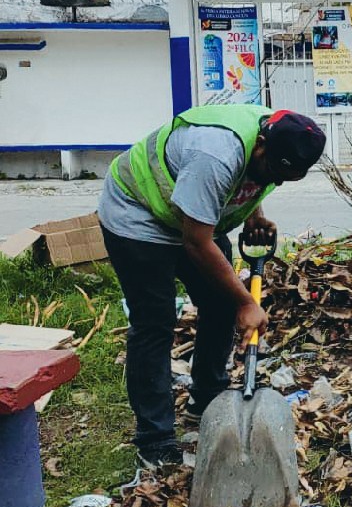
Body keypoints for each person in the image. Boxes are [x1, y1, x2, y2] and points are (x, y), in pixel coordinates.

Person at [98, 105, 326, 468]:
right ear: (261, 145)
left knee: (218, 302)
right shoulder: (214, 155)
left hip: (193, 217)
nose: (273, 181)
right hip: (138, 215)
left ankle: (206, 398)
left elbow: (252, 176)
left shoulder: (281, 132)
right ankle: (154, 440)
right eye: (272, 171)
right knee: (154, 322)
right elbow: (196, 242)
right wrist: (245, 302)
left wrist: (255, 214)